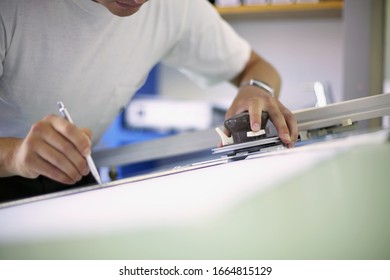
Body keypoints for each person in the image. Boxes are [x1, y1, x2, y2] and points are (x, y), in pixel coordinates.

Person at [0, 0, 298, 202]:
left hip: (72, 181)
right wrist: (15, 155)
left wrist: (256, 89)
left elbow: (257, 67)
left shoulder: (173, 7)